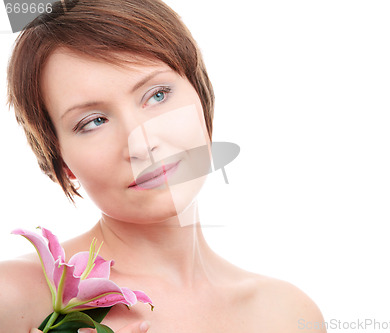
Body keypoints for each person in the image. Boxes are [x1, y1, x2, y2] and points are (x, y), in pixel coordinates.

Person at [0, 0, 326, 332]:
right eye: (94, 121)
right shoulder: (13, 297)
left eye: (157, 95)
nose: (142, 145)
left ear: (200, 96)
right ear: (60, 159)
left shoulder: (288, 314)